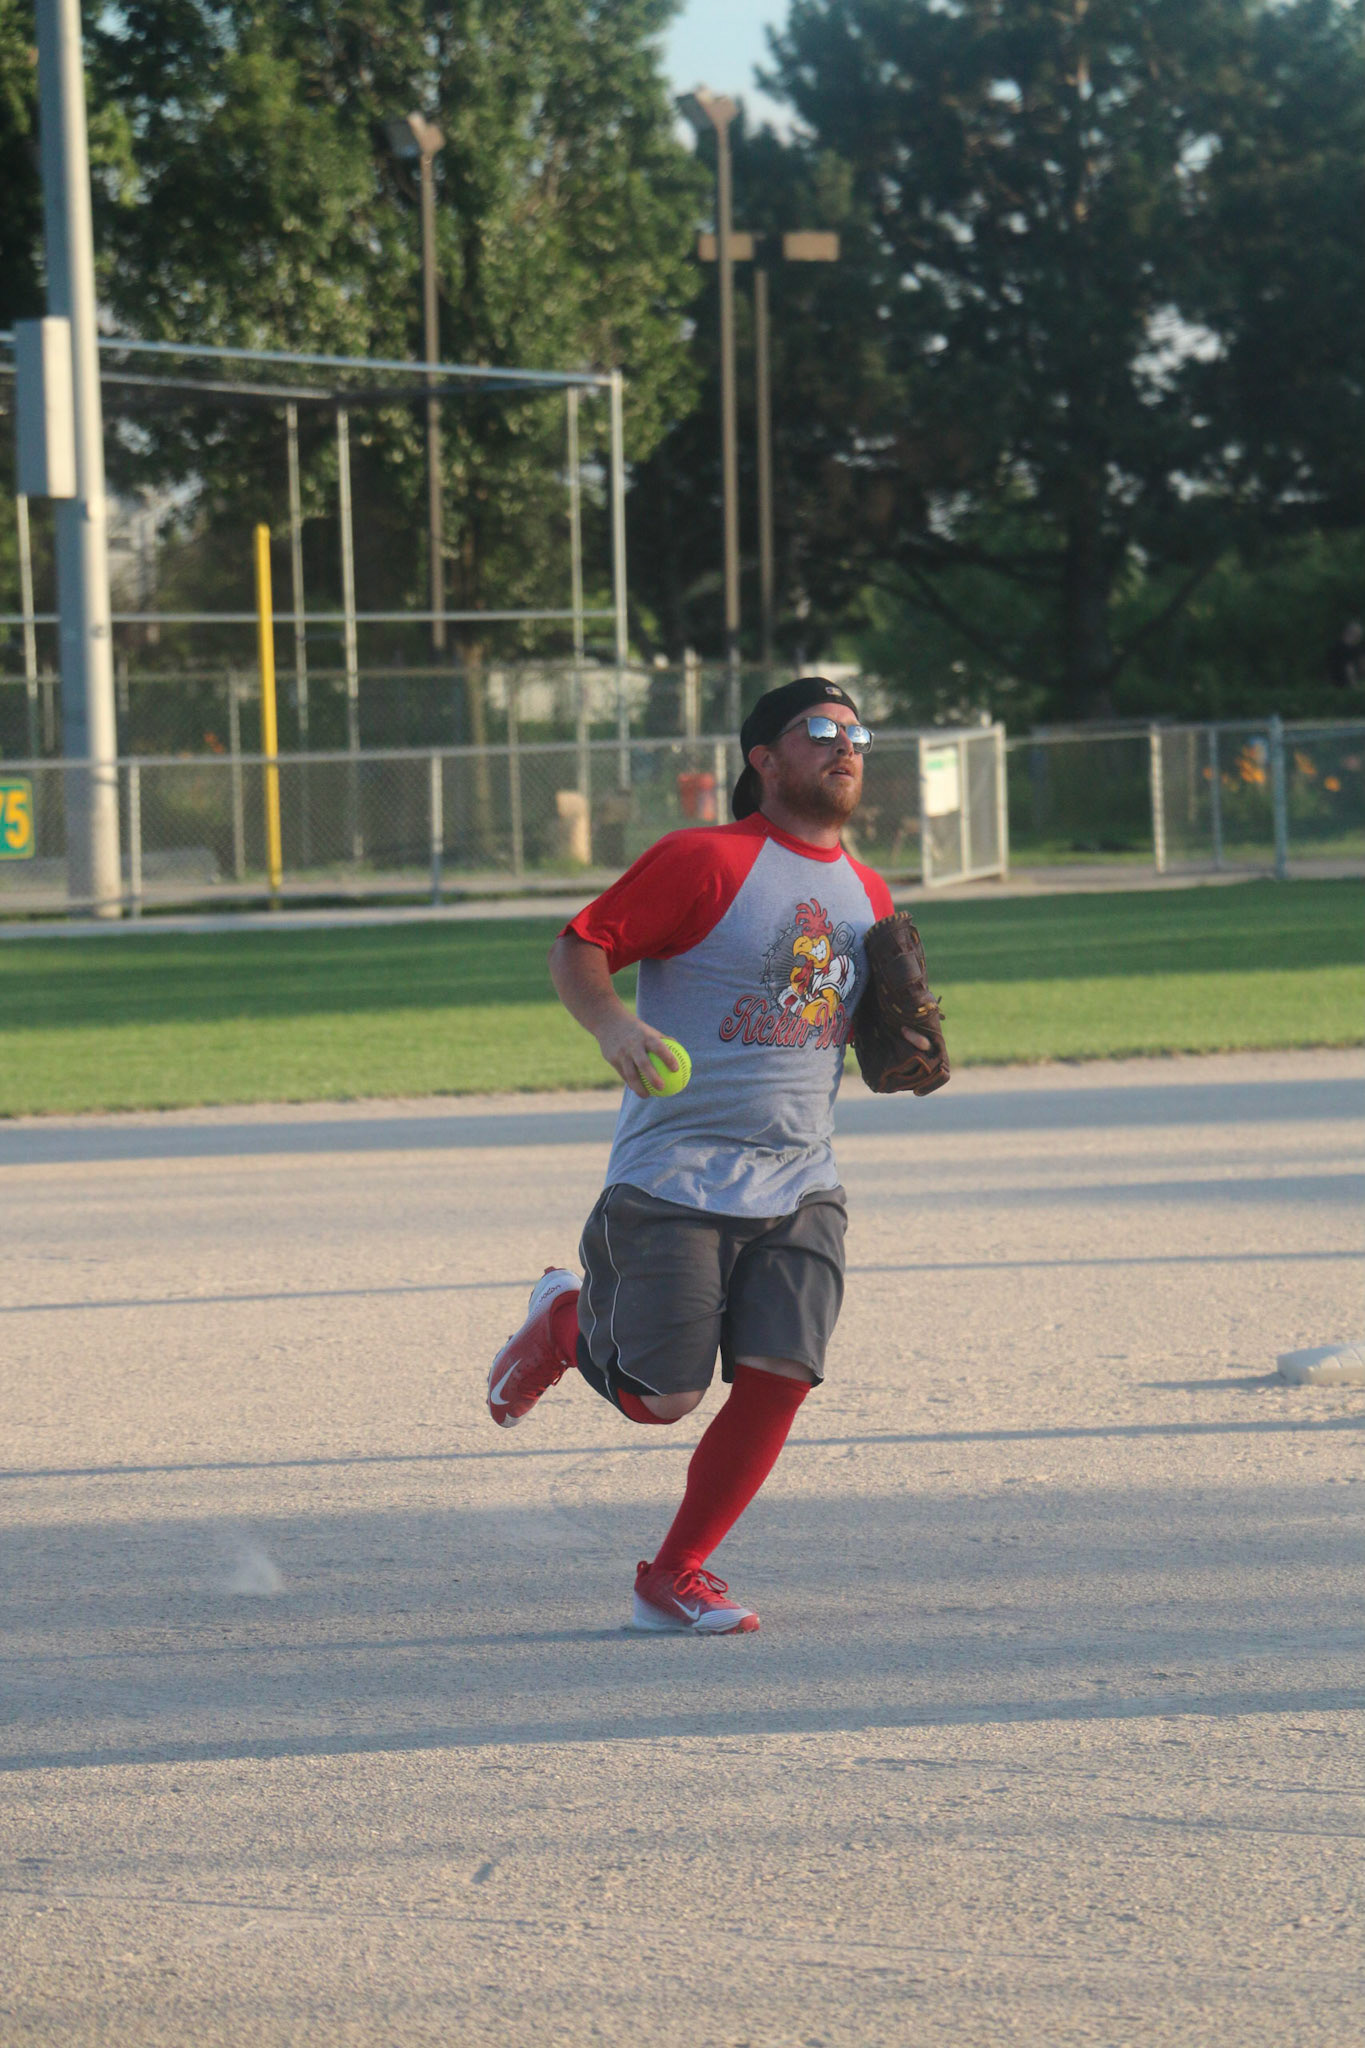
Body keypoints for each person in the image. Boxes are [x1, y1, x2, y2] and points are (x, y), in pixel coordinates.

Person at [486, 677, 925, 1635]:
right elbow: (579, 945)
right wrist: (612, 1025)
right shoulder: (705, 860)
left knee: (781, 1374)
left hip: (802, 1178)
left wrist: (895, 1044)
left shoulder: (866, 891)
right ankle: (561, 1320)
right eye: (819, 730)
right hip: (676, 1175)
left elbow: (835, 1016)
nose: (844, 746)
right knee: (662, 1398)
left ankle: (674, 1574)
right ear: (763, 758)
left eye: (857, 735)